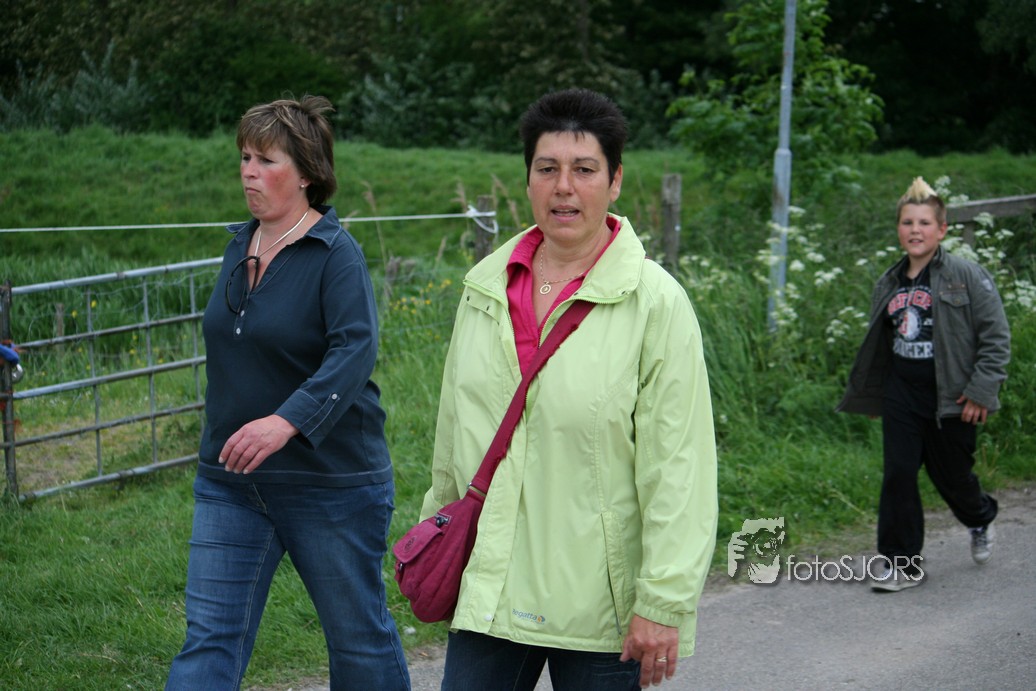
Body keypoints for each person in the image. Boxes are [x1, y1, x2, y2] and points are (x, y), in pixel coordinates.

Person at [420, 88, 718, 690]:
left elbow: (679, 467)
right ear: (527, 179)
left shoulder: (655, 304)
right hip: (493, 586)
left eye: (584, 170)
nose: (563, 187)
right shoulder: (484, 291)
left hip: (600, 606)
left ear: (615, 181)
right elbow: (453, 433)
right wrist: (441, 541)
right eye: (547, 168)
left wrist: (662, 600)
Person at [166, 96, 411, 690]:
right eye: (244, 158)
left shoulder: (336, 254)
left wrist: (285, 422)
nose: (249, 172)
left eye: (266, 160)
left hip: (329, 483)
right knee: (209, 639)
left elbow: (354, 352)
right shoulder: (239, 244)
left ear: (305, 172)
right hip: (231, 481)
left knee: (357, 641)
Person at [837, 176, 1010, 592]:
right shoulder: (889, 282)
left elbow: (996, 337)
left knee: (954, 478)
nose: (915, 230)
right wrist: (876, 395)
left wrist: (981, 391)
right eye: (907, 222)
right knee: (898, 473)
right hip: (902, 393)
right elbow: (881, 345)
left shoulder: (966, 276)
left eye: (924, 223)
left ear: (942, 230)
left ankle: (980, 517)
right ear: (898, 229)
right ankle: (901, 563)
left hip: (953, 397)